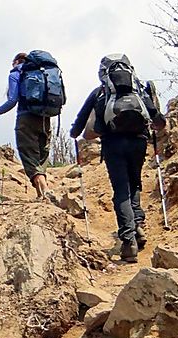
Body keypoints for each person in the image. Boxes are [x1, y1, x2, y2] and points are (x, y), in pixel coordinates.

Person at [69, 54, 166, 263]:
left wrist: (75, 133)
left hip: (113, 145)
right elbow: (159, 121)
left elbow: (77, 128)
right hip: (138, 143)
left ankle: (129, 241)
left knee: (121, 191)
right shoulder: (139, 90)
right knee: (135, 183)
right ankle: (137, 223)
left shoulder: (100, 92)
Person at [0, 52, 57, 204]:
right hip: (45, 118)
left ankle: (45, 191)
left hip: (26, 118)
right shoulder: (43, 72)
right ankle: (40, 194)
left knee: (28, 155)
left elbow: (12, 100)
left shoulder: (16, 74)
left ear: (16, 61)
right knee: (41, 155)